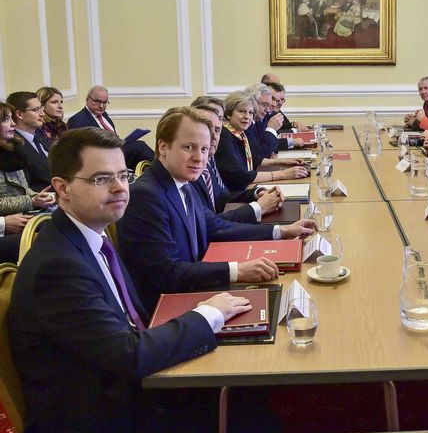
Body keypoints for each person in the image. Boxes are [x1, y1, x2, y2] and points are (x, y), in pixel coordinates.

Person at [8, 127, 253, 433]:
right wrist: (208, 315)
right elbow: (129, 355)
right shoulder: (57, 267)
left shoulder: (90, 239)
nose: (120, 188)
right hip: (102, 421)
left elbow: (132, 324)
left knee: (245, 386)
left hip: (128, 388)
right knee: (250, 412)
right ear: (62, 189)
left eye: (122, 176)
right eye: (101, 179)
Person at [117, 107, 316, 312]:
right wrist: (237, 271)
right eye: (188, 147)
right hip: (171, 307)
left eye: (203, 149)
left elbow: (215, 226)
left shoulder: (183, 183)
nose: (199, 158)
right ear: (163, 147)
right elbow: (169, 273)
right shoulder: (145, 196)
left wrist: (281, 231)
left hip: (197, 288)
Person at [191, 104, 283, 223]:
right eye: (207, 128)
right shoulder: (191, 168)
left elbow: (220, 198)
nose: (213, 136)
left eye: (217, 128)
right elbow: (208, 225)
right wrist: (258, 208)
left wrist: (257, 193)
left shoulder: (206, 161)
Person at [214, 90, 309, 191]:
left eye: (250, 112)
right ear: (228, 114)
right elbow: (240, 175)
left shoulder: (238, 133)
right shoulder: (224, 136)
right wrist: (283, 174)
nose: (247, 116)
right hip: (235, 196)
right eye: (241, 111)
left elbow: (254, 159)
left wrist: (283, 162)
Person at [0, 102, 56, 258]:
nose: (12, 124)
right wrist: (31, 201)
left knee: (66, 222)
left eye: (11, 119)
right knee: (51, 237)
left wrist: (36, 196)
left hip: (21, 217)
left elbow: (23, 188)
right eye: (6, 120)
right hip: (8, 225)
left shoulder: (13, 150)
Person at [67, 85, 155, 169]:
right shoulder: (77, 120)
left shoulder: (104, 115)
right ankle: (163, 168)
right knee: (139, 147)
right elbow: (80, 150)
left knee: (140, 153)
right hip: (103, 159)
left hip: (115, 152)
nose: (101, 106)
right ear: (87, 100)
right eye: (97, 101)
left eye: (104, 102)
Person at [6, 91, 51, 191]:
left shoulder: (39, 135)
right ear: (19, 114)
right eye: (36, 110)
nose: (42, 114)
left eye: (41, 108)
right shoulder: (13, 145)